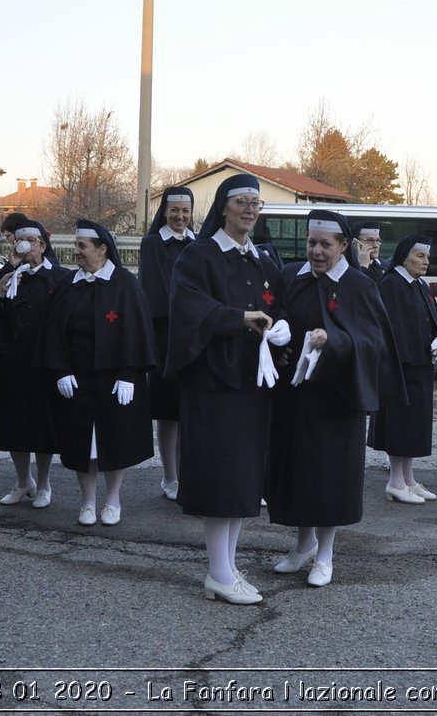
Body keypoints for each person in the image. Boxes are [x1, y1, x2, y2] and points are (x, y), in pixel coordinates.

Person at [166, 174, 288, 604]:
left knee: (241, 480)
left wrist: (282, 325)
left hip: (251, 384)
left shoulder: (260, 259)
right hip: (213, 384)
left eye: (256, 203)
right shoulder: (199, 256)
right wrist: (238, 318)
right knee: (221, 478)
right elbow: (188, 308)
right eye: (241, 201)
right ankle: (218, 571)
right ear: (222, 207)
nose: (250, 209)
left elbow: (276, 305)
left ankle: (228, 567)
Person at [267, 210, 399, 587]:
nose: (317, 251)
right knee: (297, 473)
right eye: (312, 243)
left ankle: (325, 553)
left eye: (326, 244)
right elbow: (281, 317)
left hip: (339, 400)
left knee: (328, 478)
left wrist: (335, 340)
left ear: (343, 246)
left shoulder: (359, 285)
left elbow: (375, 342)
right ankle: (303, 545)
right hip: (296, 396)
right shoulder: (292, 277)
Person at [40, 220, 157, 527]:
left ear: (102, 249)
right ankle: (87, 502)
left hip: (115, 381)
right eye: (76, 246)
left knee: (115, 442)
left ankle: (113, 499)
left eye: (82, 246)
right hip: (77, 381)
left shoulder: (125, 284)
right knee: (83, 444)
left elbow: (137, 331)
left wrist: (129, 373)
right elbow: (53, 332)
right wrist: (60, 371)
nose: (76, 251)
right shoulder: (68, 284)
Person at [0, 218, 68, 508]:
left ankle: (45, 484)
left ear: (43, 245)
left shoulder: (59, 277)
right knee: (14, 425)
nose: (27, 246)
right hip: (13, 362)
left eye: (32, 241)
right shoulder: (7, 275)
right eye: (21, 241)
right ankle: (24, 481)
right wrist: (8, 274)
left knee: (43, 427)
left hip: (44, 362)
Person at [368, 234, 437, 502]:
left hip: (419, 367)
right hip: (401, 369)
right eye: (420, 256)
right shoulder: (391, 284)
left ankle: (409, 479)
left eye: (427, 256)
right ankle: (395, 482)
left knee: (414, 426)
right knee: (400, 425)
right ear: (404, 256)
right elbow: (390, 330)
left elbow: (431, 319)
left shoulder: (418, 284)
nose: (426, 261)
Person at [138, 187, 199, 500]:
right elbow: (154, 292)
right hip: (164, 336)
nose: (180, 217)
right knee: (167, 411)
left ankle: (187, 475)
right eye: (174, 211)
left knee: (188, 409)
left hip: (192, 338)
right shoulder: (152, 244)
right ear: (164, 211)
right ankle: (169, 477)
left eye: (185, 211)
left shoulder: (198, 244)